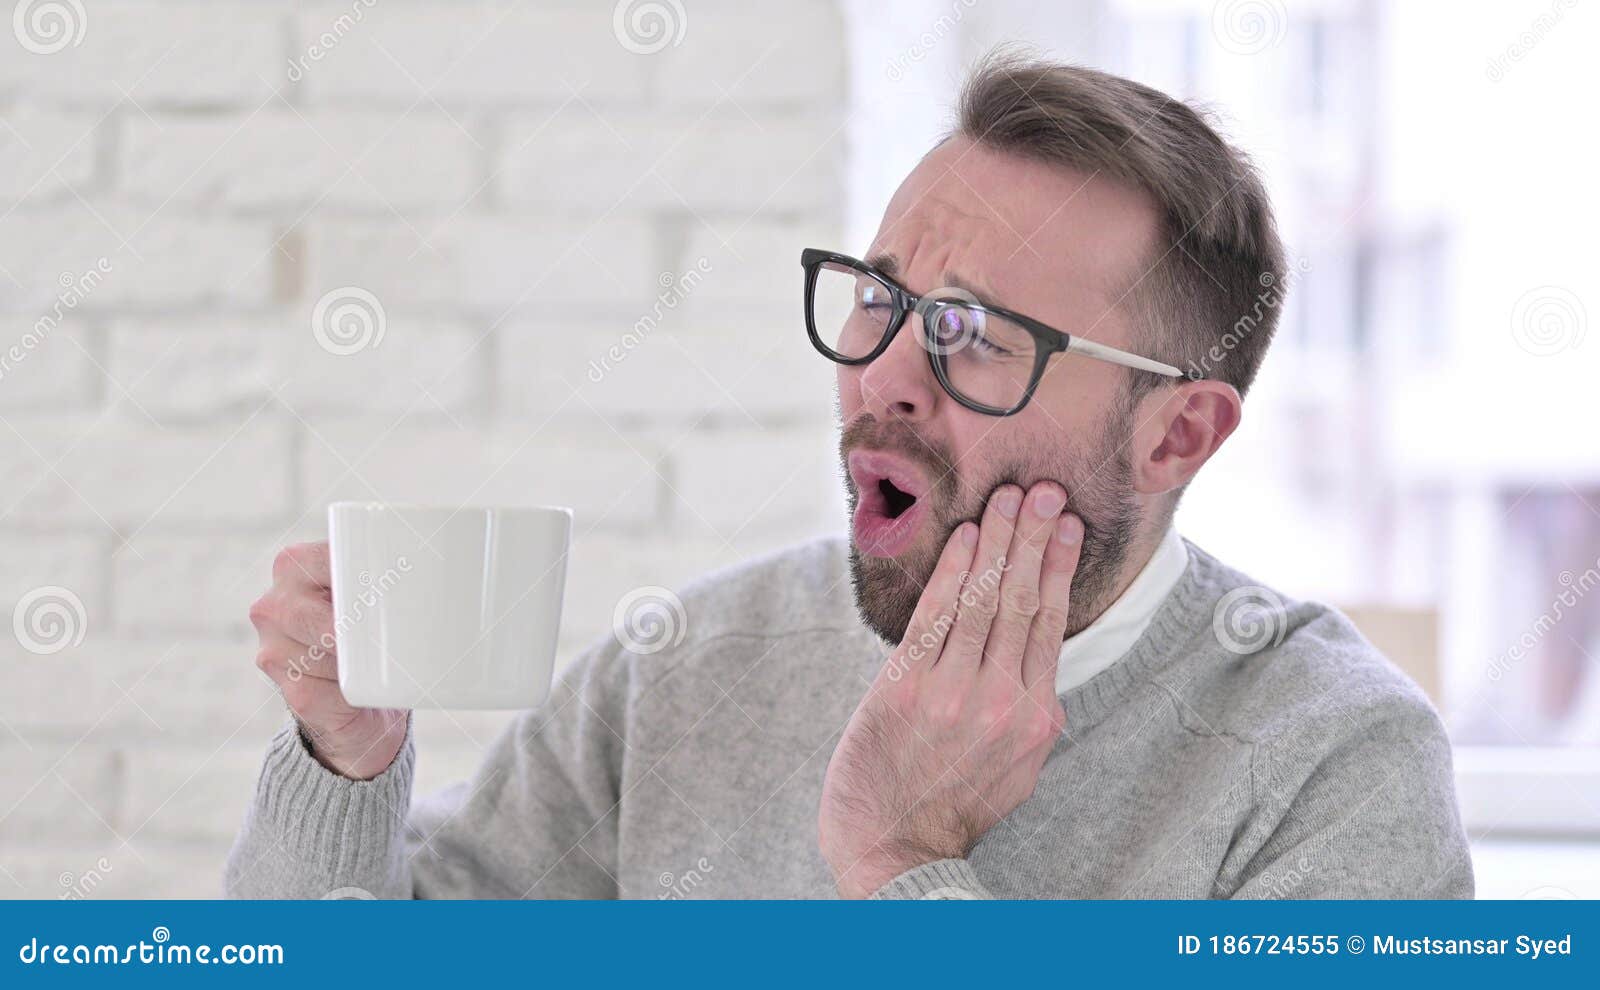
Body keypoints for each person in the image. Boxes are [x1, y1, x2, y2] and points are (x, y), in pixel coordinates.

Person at [227, 54, 1473, 899]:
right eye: (878, 298)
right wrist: (345, 762)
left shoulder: (1334, 764)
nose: (882, 375)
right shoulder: (683, 672)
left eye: (972, 333)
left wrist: (902, 862)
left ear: (1176, 435)